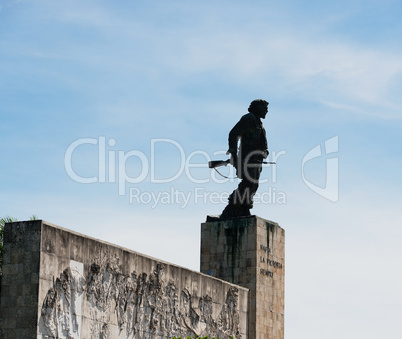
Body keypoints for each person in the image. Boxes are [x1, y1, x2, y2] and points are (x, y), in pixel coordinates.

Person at [219, 99, 269, 219]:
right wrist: (233, 153)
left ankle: (243, 208)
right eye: (264, 108)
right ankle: (233, 207)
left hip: (257, 160)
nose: (267, 111)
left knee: (253, 185)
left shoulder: (259, 123)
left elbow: (263, 145)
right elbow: (234, 134)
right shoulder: (248, 118)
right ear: (257, 108)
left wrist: (265, 152)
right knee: (248, 183)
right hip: (247, 159)